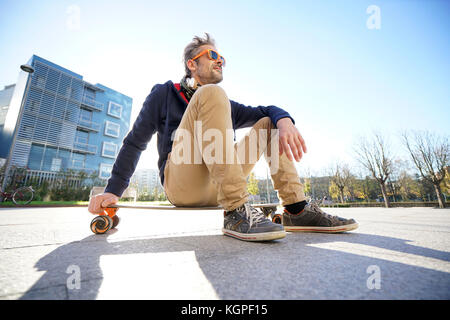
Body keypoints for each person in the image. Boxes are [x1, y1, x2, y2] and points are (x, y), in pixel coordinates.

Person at [88, 33, 358, 241]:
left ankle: (297, 210)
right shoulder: (164, 94)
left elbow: (266, 111)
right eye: (213, 54)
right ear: (191, 64)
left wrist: (284, 120)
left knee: (268, 122)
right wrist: (113, 190)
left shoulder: (222, 102)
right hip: (183, 183)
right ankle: (237, 212)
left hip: (221, 183)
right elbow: (135, 142)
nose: (220, 61)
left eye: (223, 59)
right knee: (212, 94)